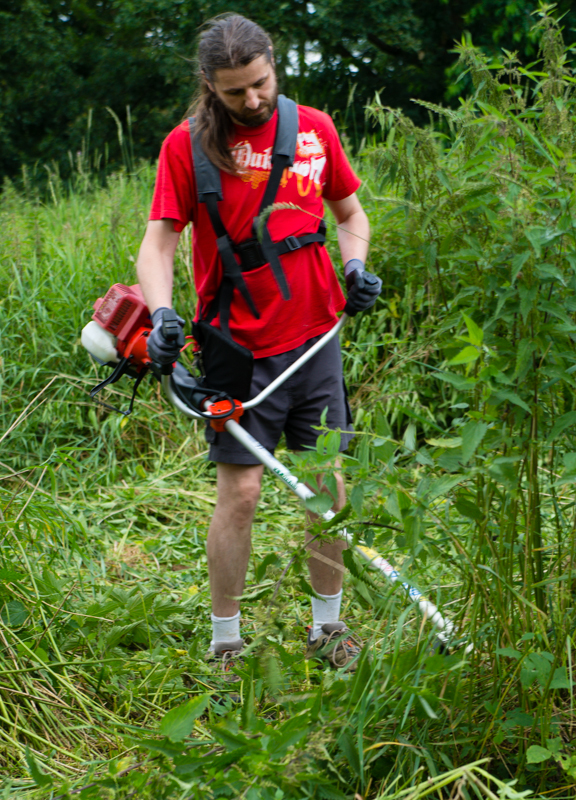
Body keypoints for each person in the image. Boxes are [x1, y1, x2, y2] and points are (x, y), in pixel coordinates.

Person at [136, 13, 380, 672]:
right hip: (237, 349)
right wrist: (162, 316)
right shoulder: (185, 149)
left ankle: (327, 630)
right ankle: (226, 640)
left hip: (316, 340)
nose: (252, 100)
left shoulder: (315, 131)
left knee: (325, 487)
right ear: (210, 88)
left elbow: (350, 214)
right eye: (235, 91)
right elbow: (158, 244)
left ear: (274, 65)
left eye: (260, 84)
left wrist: (354, 267)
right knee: (240, 494)